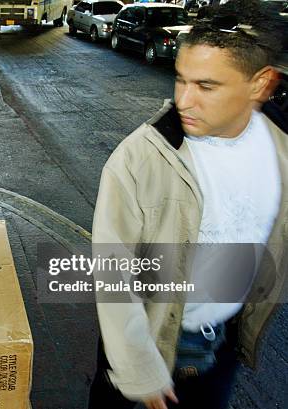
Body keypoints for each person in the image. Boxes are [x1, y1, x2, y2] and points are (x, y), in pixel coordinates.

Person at [88, 0, 287, 408]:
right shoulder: (141, 156)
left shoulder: (281, 151)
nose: (183, 100)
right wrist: (137, 368)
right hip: (150, 345)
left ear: (261, 84)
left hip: (221, 349)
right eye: (181, 80)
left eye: (206, 86)